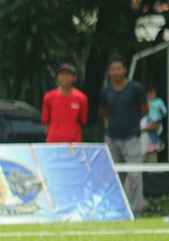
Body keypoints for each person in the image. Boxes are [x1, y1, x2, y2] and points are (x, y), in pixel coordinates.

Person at [99, 55, 149, 215]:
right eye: (113, 69)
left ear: (125, 70)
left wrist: (130, 124)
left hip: (131, 137)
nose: (116, 72)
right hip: (112, 137)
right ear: (109, 72)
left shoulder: (135, 88)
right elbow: (105, 111)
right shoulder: (106, 90)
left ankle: (136, 211)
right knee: (114, 175)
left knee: (134, 176)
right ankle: (115, 210)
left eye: (119, 68)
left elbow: (144, 110)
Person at [41, 63, 88, 143]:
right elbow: (46, 121)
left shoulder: (81, 98)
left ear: (74, 78)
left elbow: (82, 121)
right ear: (58, 77)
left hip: (74, 143)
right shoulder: (49, 97)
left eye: (68, 75)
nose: (65, 77)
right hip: (53, 142)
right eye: (62, 74)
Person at [142, 84, 166, 161]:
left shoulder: (158, 101)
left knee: (152, 168)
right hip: (138, 148)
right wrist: (147, 129)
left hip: (156, 118)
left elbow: (158, 128)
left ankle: (158, 144)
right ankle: (158, 143)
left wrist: (160, 110)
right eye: (149, 94)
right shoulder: (144, 103)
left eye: (152, 93)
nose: (151, 96)